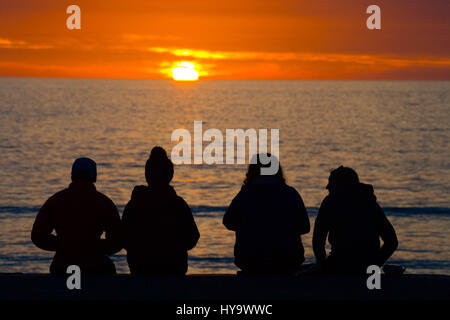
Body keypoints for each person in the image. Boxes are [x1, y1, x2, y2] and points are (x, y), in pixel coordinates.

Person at [31, 157, 122, 275]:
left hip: (62, 265)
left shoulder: (56, 200)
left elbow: (38, 236)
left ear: (72, 175)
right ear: (94, 176)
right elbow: (117, 241)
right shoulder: (104, 202)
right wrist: (94, 248)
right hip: (95, 265)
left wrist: (63, 245)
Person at [223, 154, 310, 275]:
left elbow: (228, 222)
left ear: (252, 171)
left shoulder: (245, 194)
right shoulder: (290, 193)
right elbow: (305, 227)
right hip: (287, 260)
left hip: (251, 261)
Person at [122, 147, 200, 275]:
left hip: (141, 269)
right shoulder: (178, 204)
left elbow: (123, 238)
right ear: (170, 175)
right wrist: (175, 248)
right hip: (173, 269)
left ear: (147, 175)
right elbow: (193, 237)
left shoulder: (135, 203)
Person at [313, 166, 398, 274]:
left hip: (339, 265)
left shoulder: (330, 202)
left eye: (331, 182)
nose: (327, 187)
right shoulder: (369, 202)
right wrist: (374, 265)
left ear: (340, 184)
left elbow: (318, 240)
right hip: (366, 267)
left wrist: (323, 266)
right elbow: (391, 241)